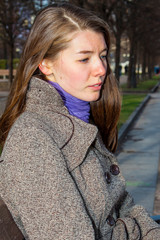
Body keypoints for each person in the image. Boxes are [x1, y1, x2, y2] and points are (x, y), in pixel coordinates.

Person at [0, 3, 159, 240]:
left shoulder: (81, 124)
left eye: (103, 55)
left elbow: (123, 205)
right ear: (46, 64)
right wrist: (131, 229)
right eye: (84, 59)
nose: (101, 69)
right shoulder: (33, 137)